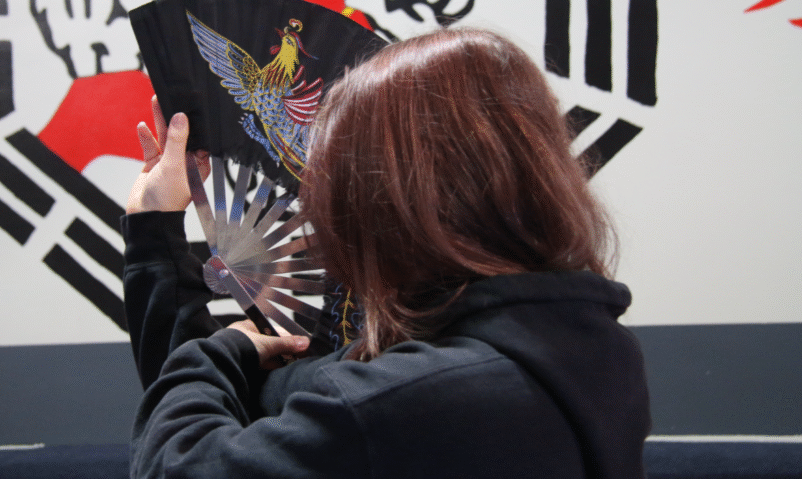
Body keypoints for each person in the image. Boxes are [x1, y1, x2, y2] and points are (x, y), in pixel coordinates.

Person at [120, 27, 651, 479]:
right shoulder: (590, 351)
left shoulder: (414, 400)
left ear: (385, 207)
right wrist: (155, 231)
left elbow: (178, 461)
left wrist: (219, 352)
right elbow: (235, 404)